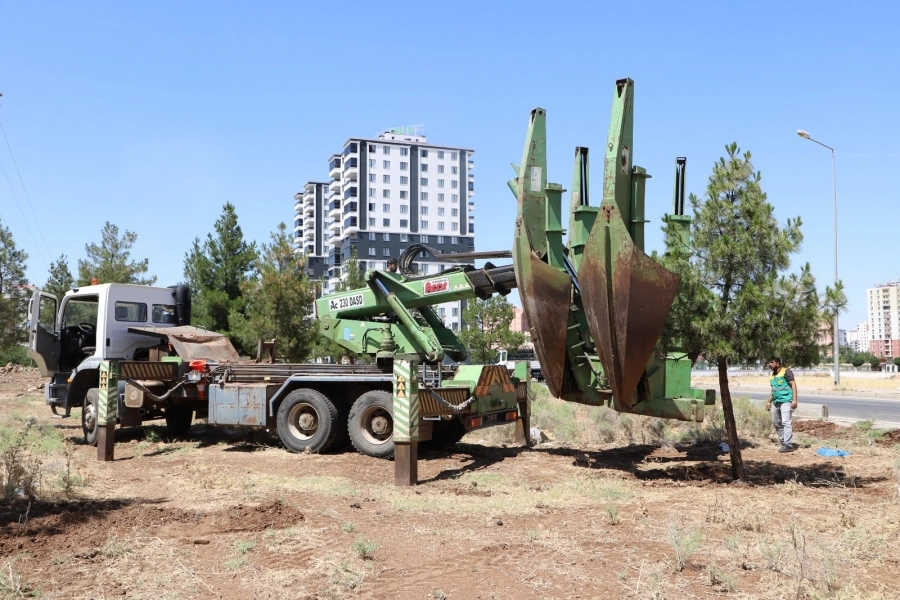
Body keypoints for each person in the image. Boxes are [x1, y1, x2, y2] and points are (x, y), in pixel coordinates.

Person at [765, 357, 798, 453]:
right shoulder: (772, 375)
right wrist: (769, 401)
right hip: (776, 402)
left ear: (778, 363)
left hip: (786, 401)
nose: (769, 364)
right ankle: (783, 442)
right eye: (769, 362)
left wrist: (795, 400)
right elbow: (774, 389)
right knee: (776, 422)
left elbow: (793, 385)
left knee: (786, 422)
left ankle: (788, 444)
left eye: (772, 362)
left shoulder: (786, 372)